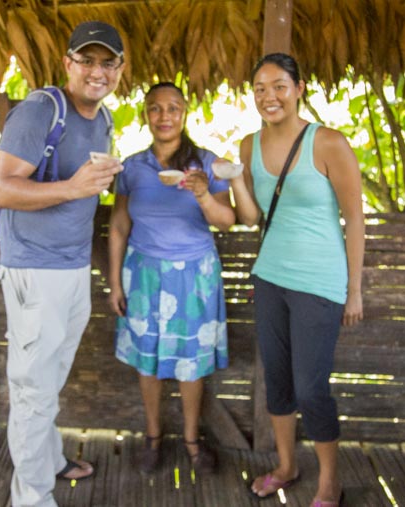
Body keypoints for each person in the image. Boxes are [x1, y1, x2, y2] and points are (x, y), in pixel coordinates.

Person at [0, 21, 125, 507]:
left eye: (107, 62)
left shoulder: (103, 119)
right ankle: (31, 499)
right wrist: (74, 186)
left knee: (49, 379)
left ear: (119, 69)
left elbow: (85, 184)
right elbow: (2, 189)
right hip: (34, 271)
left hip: (70, 268)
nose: (96, 71)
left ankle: (49, 462)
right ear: (67, 63)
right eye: (86, 60)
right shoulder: (39, 111)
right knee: (32, 389)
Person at [230, 53, 364, 507]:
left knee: (311, 388)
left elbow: (355, 219)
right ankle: (287, 467)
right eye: (260, 89)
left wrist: (354, 291)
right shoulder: (248, 146)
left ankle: (330, 481)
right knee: (279, 382)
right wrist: (231, 180)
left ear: (300, 87)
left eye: (280, 86)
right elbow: (250, 218)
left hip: (319, 282)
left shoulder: (327, 143)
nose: (270, 96)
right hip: (270, 277)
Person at [107, 82, 236, 474]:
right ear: (146, 114)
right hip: (144, 275)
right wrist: (115, 283)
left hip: (195, 275)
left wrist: (202, 193)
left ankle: (193, 441)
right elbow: (118, 226)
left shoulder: (208, 163)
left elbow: (227, 222)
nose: (164, 116)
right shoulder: (132, 167)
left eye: (173, 108)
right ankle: (153, 438)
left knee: (191, 364)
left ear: (185, 113)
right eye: (155, 109)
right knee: (148, 362)